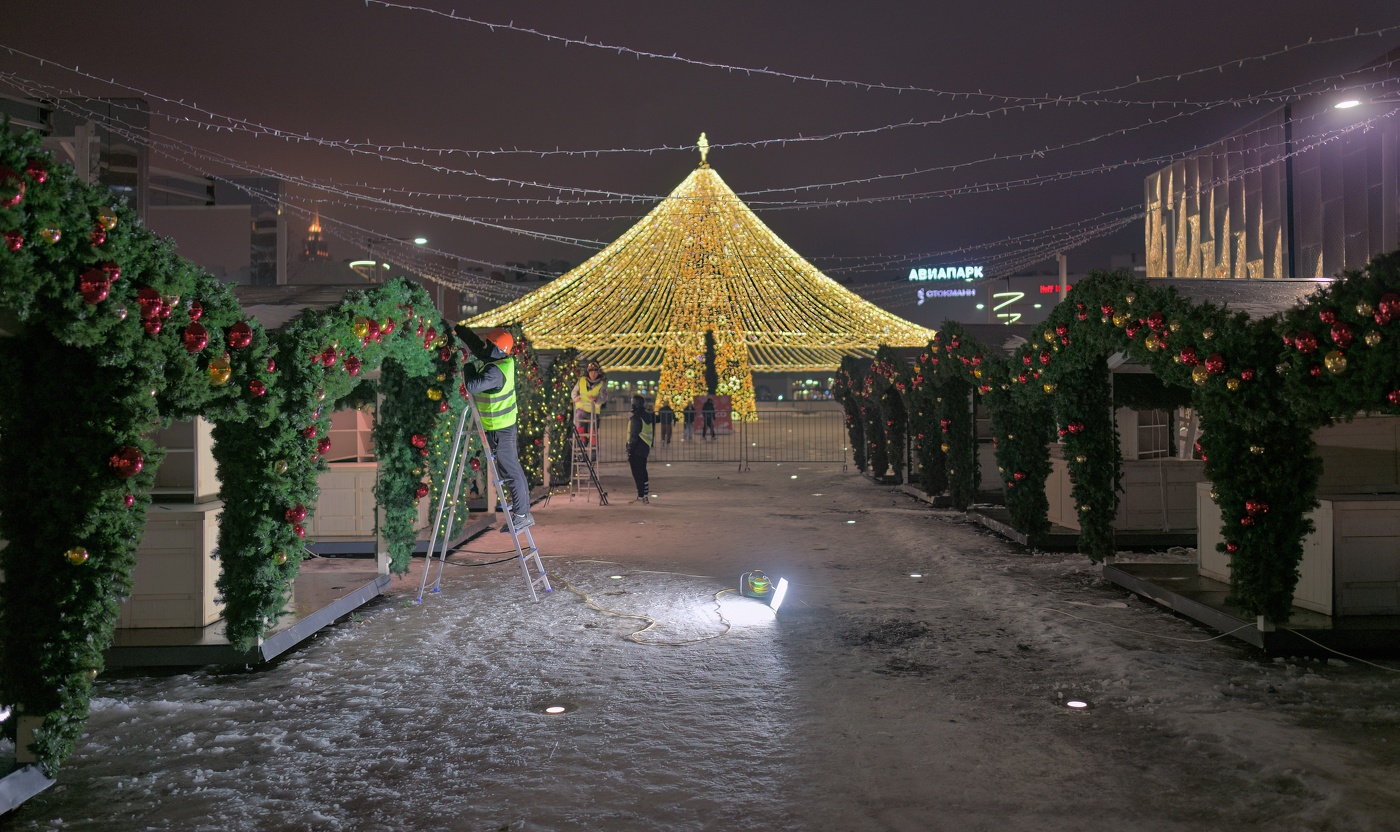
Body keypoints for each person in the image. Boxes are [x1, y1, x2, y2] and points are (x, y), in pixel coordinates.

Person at [456, 324, 534, 533]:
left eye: (489, 343)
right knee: (509, 469)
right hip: (497, 428)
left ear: (496, 349)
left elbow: (472, 385)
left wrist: (467, 365)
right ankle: (522, 513)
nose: (485, 346)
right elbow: (476, 346)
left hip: (501, 430)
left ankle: (522, 515)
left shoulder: (495, 372)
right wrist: (458, 329)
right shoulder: (497, 359)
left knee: (511, 470)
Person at [570, 360, 608, 461]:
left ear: (598, 372)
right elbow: (574, 392)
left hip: (593, 412)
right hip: (581, 411)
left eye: (595, 371)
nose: (593, 374)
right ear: (588, 372)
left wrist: (595, 400)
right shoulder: (582, 380)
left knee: (593, 433)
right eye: (591, 371)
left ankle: (593, 454)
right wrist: (575, 397)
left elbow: (604, 398)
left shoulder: (601, 384)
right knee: (580, 432)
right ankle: (581, 453)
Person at [627, 394, 656, 504]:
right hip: (645, 447)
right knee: (643, 470)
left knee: (637, 473)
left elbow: (634, 436)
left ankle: (641, 495)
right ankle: (645, 494)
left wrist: (629, 449)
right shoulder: (647, 416)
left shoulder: (636, 418)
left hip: (636, 448)